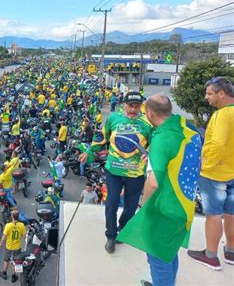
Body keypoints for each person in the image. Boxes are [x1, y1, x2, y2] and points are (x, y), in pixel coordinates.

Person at [118, 94, 202, 286]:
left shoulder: (162, 138)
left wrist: (145, 208)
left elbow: (153, 183)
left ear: (149, 112)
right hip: (185, 206)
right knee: (169, 252)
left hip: (165, 209)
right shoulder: (188, 130)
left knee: (157, 258)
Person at [81, 91, 153, 254]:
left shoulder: (148, 124)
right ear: (123, 106)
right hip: (113, 170)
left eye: (136, 106)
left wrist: (150, 153)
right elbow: (102, 138)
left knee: (131, 207)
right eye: (130, 106)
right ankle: (111, 236)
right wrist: (89, 150)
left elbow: (154, 145)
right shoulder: (113, 119)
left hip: (135, 174)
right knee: (111, 202)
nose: (133, 109)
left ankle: (123, 228)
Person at [188, 77, 234, 269]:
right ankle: (231, 252)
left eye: (209, 93)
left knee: (213, 215)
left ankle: (211, 255)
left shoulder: (222, 114)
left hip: (215, 174)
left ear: (221, 93)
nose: (206, 98)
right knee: (231, 213)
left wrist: (204, 166)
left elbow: (218, 144)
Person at [0, 210, 27, 283]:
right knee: (16, 261)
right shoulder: (21, 225)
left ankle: (4, 273)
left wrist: (1, 243)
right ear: (18, 217)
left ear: (12, 217)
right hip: (17, 247)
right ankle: (14, 276)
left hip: (9, 246)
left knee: (6, 259)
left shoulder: (8, 225)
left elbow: (4, 236)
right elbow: (24, 236)